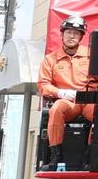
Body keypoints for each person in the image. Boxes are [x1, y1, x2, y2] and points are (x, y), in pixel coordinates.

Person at [39, 14, 94, 162]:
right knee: (56, 110)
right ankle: (55, 155)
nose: (72, 36)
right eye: (69, 32)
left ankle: (91, 154)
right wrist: (60, 92)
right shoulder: (50, 59)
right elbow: (43, 85)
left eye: (76, 33)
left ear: (81, 37)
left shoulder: (92, 55)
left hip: (90, 99)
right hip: (67, 101)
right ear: (62, 34)